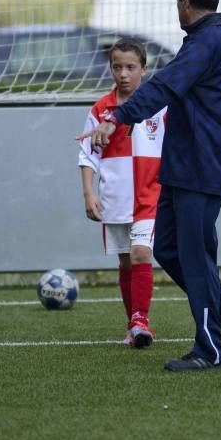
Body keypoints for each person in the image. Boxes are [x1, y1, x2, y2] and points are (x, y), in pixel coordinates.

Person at [78, 0, 221, 372]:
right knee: (167, 248)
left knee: (195, 257)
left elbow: (164, 85)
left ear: (184, 2)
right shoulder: (217, 42)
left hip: (201, 168)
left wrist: (117, 118)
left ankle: (210, 349)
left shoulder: (208, 42)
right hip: (187, 167)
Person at [78, 38, 166, 348]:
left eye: (131, 67)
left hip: (149, 197)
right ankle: (135, 325)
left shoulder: (159, 105)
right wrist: (89, 193)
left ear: (144, 69)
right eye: (117, 67)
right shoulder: (102, 109)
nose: (124, 74)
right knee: (126, 263)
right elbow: (88, 156)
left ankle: (141, 320)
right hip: (115, 199)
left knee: (142, 253)